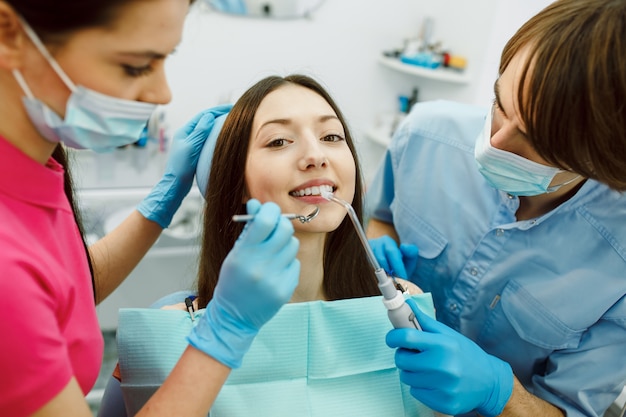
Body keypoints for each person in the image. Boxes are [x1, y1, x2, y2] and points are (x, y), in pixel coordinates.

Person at [0, 1, 300, 416]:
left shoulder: (38, 168)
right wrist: (225, 331)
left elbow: (64, 288)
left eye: (332, 136)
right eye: (136, 65)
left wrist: (162, 201)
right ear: (8, 33)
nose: (163, 94)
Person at [98, 74, 429, 417]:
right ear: (237, 182)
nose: (315, 156)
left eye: (331, 136)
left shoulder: (406, 309)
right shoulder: (165, 333)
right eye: (278, 141)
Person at [365, 0, 626, 416]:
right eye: (500, 104)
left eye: (537, 140)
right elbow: (380, 218)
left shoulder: (618, 263)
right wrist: (381, 246)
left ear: (605, 161)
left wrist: (499, 392)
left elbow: (569, 409)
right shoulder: (424, 135)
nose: (497, 142)